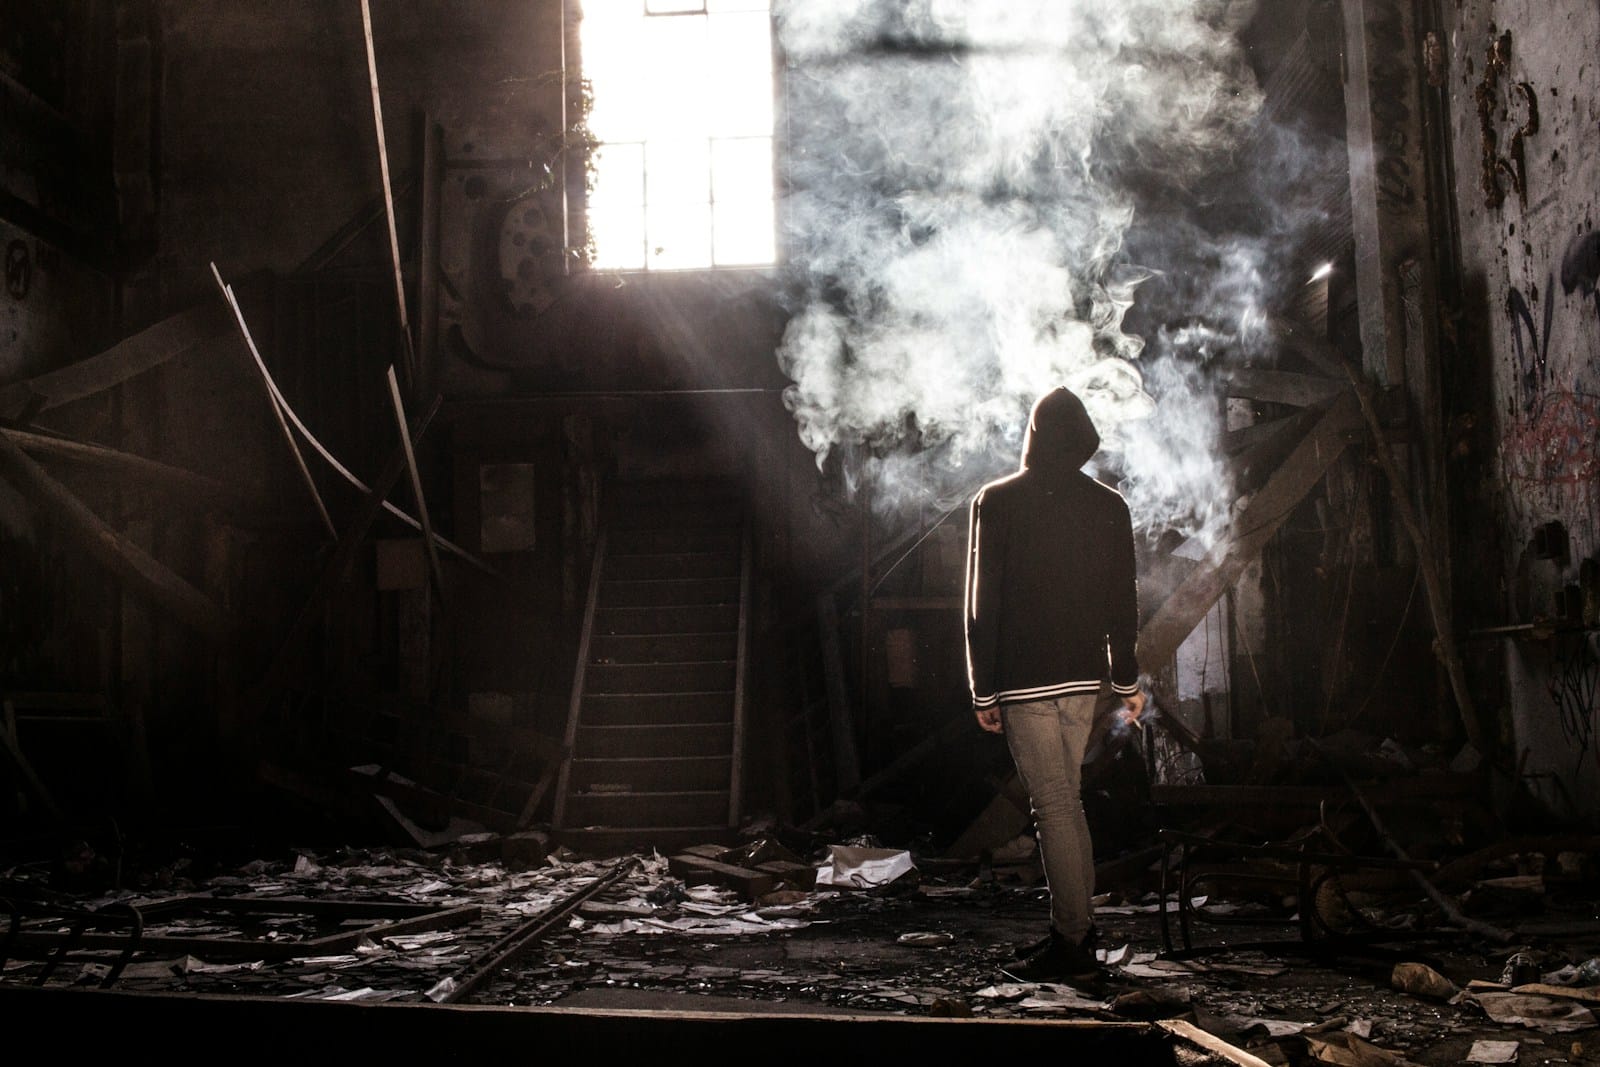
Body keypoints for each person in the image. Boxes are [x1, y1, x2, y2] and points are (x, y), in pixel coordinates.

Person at [964, 386, 1144, 984]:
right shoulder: (1109, 504)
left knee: (1056, 808)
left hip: (1024, 684)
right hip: (1082, 683)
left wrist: (982, 689)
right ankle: (1075, 932)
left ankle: (1073, 941)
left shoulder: (996, 500)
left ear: (1034, 434)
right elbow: (1124, 602)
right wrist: (1124, 680)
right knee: (1068, 805)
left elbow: (982, 606)